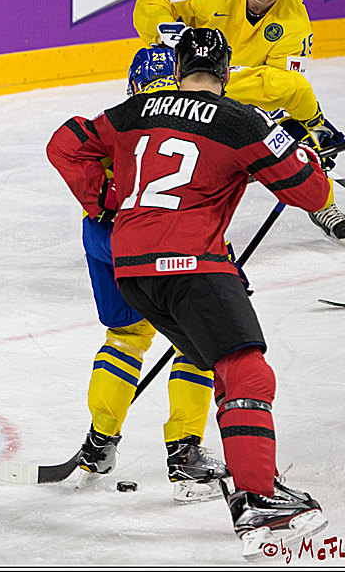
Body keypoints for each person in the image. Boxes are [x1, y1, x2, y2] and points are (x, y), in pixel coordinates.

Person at [47, 28, 331, 560]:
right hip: (192, 264)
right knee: (244, 370)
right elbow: (310, 193)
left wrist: (106, 198)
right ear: (226, 73)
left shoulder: (135, 113)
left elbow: (63, 142)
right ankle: (257, 496)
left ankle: (139, 446)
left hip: (132, 267)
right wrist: (303, 153)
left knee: (198, 354)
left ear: (177, 73)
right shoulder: (241, 120)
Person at [63, 46, 228, 505]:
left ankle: (99, 443)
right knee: (194, 340)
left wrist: (104, 198)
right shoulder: (188, 121)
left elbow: (69, 151)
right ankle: (185, 454)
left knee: (125, 338)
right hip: (157, 238)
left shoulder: (121, 115)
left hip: (101, 235)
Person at [133, 0, 345, 247]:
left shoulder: (294, 21)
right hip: (185, 90)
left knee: (293, 145)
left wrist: (311, 122)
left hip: (239, 102)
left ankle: (321, 200)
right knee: (147, 120)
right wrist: (162, 28)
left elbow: (286, 86)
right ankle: (129, 205)